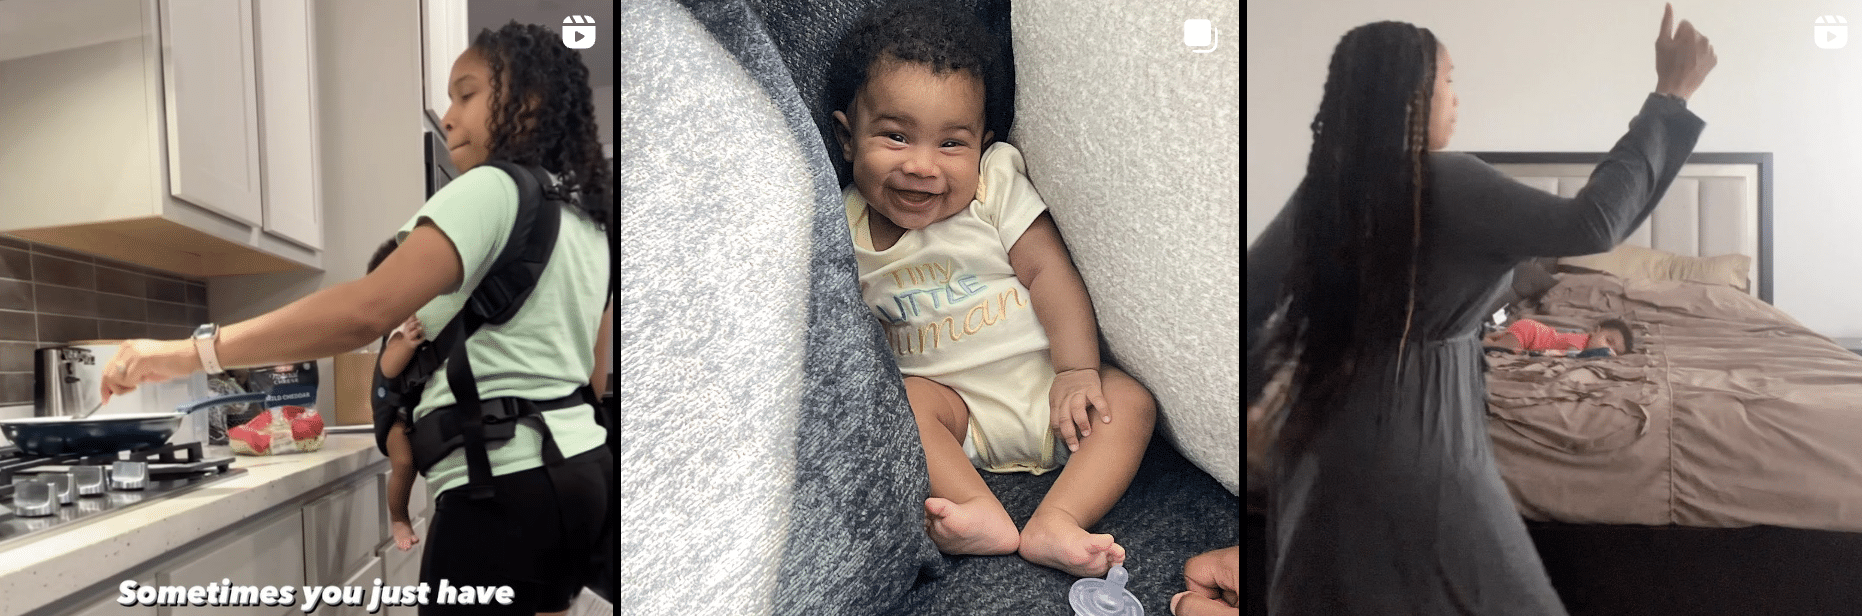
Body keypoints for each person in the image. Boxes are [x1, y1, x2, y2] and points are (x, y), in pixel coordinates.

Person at [100, 22, 613, 616]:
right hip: (580, 476)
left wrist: (188, 354)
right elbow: (593, 378)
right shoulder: (585, 226)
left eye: (466, 94)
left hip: (501, 485)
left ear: (529, 99)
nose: (448, 117)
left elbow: (363, 312)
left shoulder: (492, 187)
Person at [1245, 4, 1715, 614]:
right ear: (1412, 95)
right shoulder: (1445, 180)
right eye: (1448, 81)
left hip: (1324, 437)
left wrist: (1257, 406)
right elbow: (1595, 222)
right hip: (1419, 440)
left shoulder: (1327, 189)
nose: (1456, 98)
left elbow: (1252, 300)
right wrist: (1669, 95)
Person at [826, 2, 1158, 578]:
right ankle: (978, 506)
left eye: (951, 144)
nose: (922, 166)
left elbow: (1048, 274)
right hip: (960, 419)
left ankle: (1058, 519)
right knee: (905, 401)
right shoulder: (839, 230)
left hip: (1055, 395)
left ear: (982, 143)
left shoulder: (992, 185)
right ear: (847, 137)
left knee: (1130, 401)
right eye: (896, 136)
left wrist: (1077, 370)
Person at [367, 238, 427, 552]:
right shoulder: (400, 324)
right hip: (393, 410)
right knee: (404, 462)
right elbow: (389, 367)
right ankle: (399, 516)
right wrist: (407, 343)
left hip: (414, 408)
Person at [1484, 317, 1634, 357]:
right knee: (1499, 349)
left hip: (1532, 330)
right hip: (1529, 334)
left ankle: (1492, 335)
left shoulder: (1586, 341)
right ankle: (1480, 341)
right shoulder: (1577, 344)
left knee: (1503, 340)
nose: (1608, 349)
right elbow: (1571, 357)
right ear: (1596, 331)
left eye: (1615, 351)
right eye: (1608, 341)